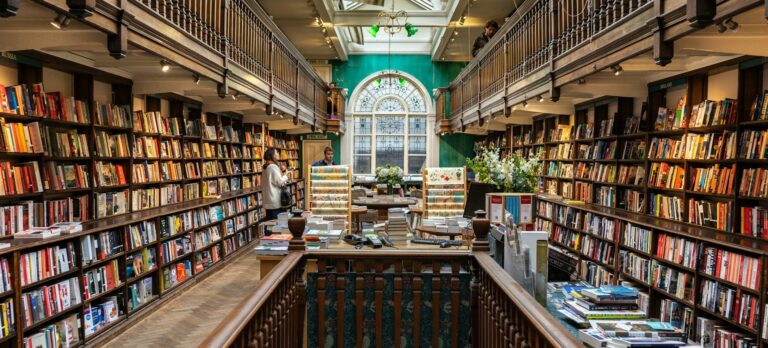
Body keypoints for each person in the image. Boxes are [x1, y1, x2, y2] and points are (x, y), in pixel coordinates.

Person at [261, 148, 288, 221]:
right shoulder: (273, 167)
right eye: (277, 152)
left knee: (269, 222)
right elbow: (280, 182)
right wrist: (286, 175)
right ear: (272, 155)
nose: (278, 154)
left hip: (268, 200)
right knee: (276, 224)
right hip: (274, 201)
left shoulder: (265, 167)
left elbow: (272, 181)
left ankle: (268, 233)